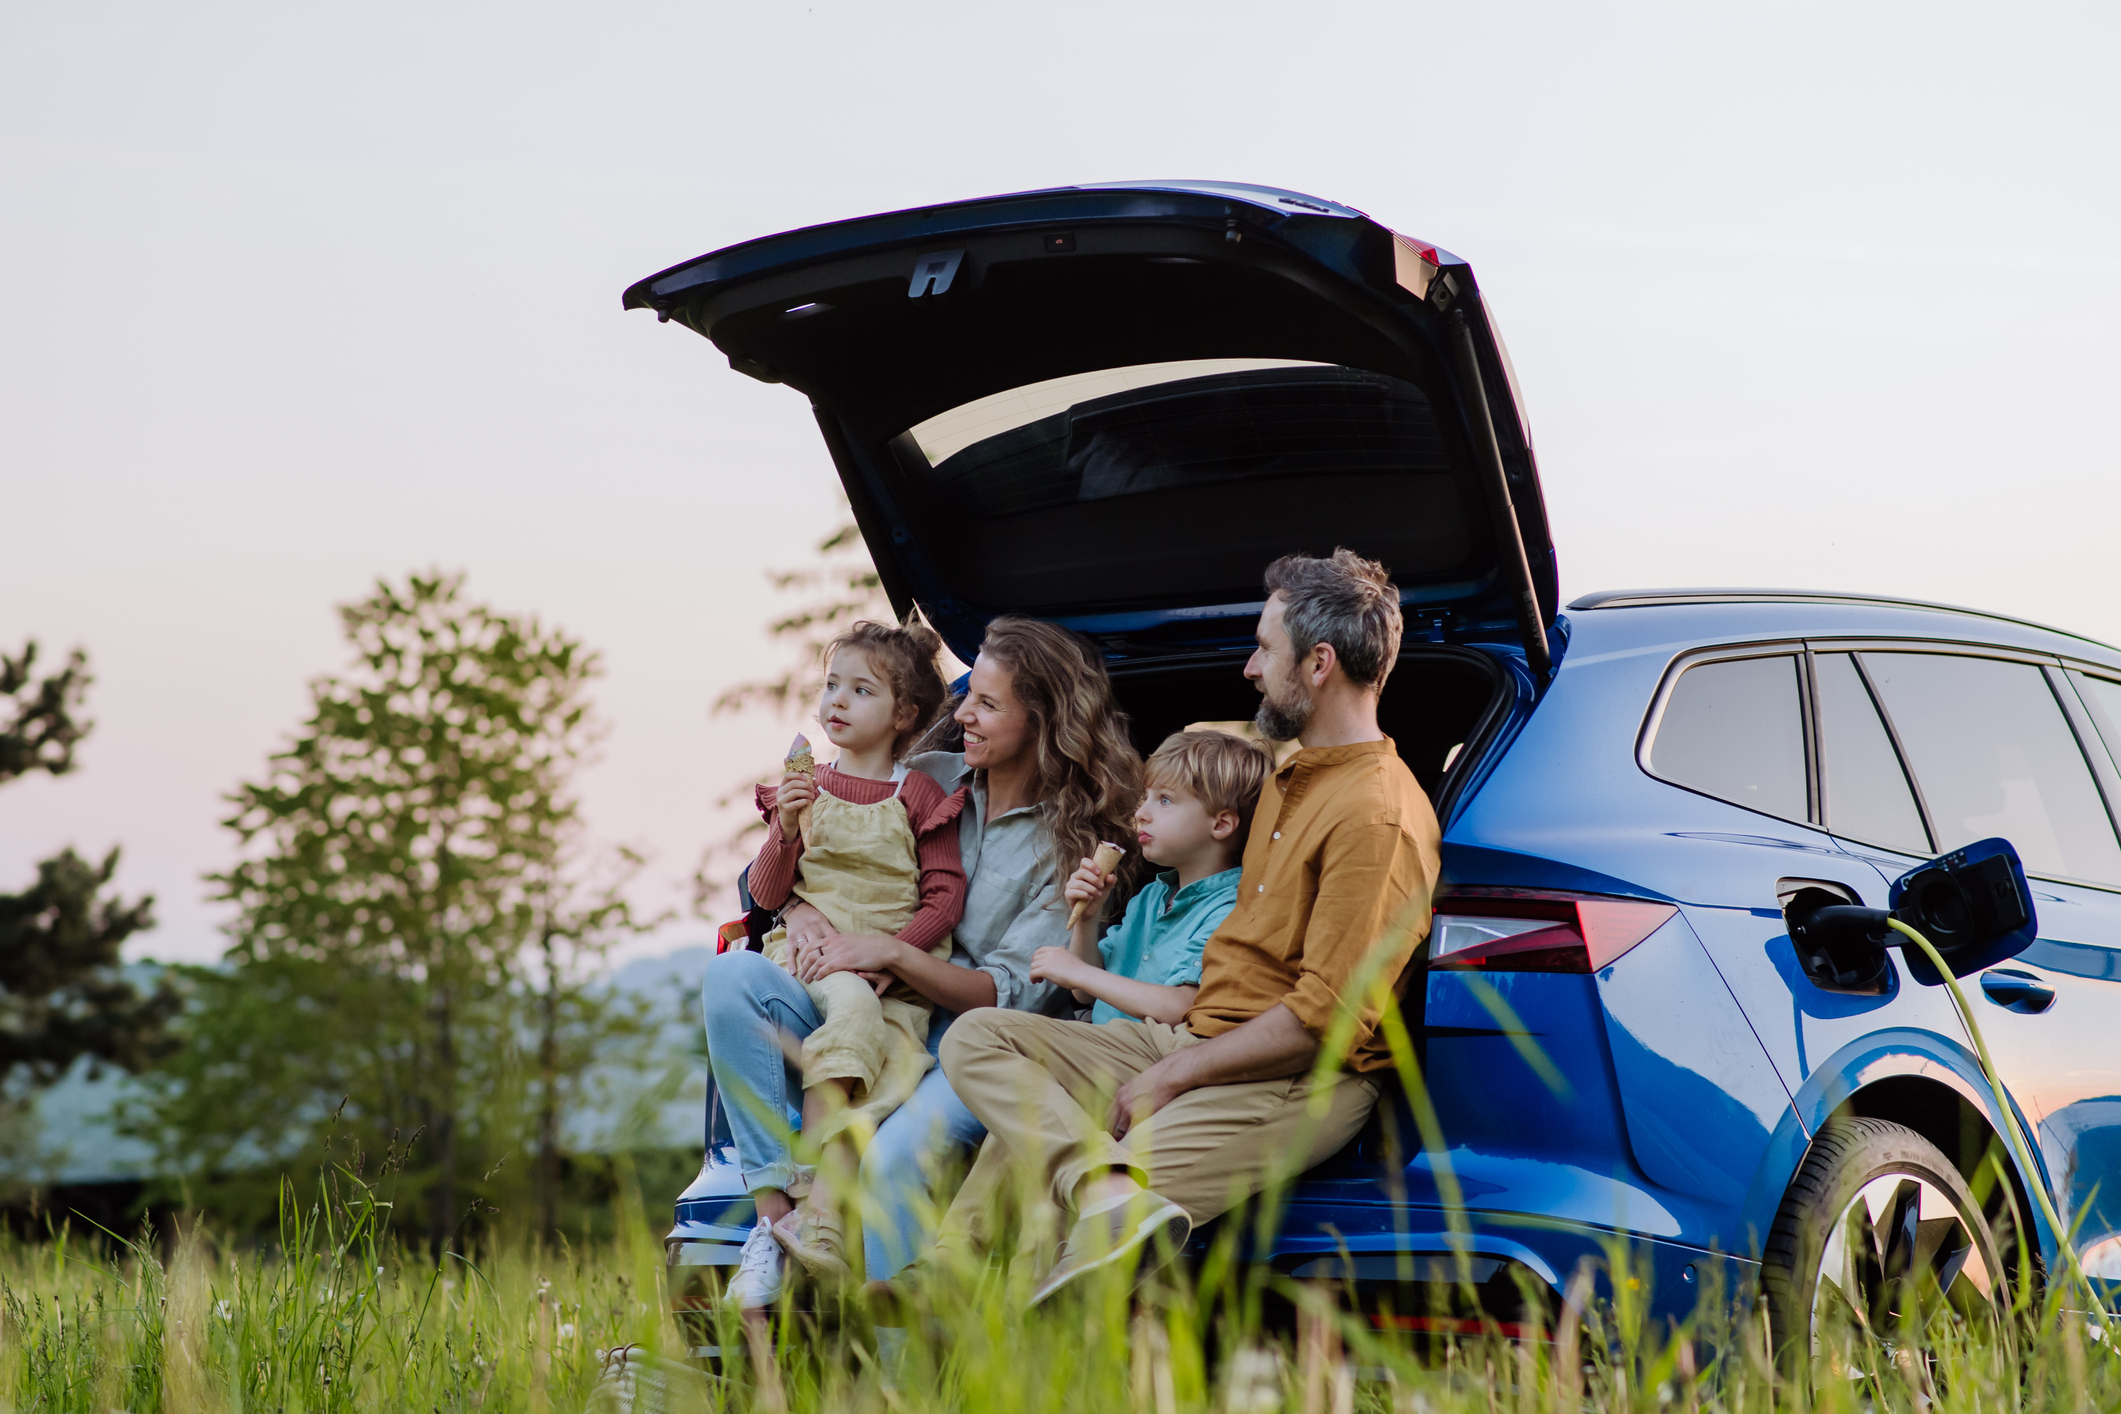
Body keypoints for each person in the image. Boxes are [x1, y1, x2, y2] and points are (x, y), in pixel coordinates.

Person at [937, 548, 1442, 1306]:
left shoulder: (1376, 816)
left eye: (1265, 649)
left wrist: (1172, 1075)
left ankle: (1050, 1267)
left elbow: (1325, 1022)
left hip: (1291, 1076)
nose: (1248, 668)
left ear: (1319, 663)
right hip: (1198, 1035)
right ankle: (1093, 1191)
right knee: (979, 1037)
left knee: (1076, 1250)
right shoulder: (1291, 777)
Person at [700, 615, 1142, 1308]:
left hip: (969, 1041)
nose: (960, 711)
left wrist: (890, 953)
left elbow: (1008, 997)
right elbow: (793, 874)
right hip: (857, 1006)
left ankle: (899, 1366)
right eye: (969, 695)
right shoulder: (924, 777)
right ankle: (777, 1221)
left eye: (987, 704)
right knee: (731, 977)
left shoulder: (1069, 847)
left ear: (1043, 721)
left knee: (894, 1159)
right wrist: (798, 912)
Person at [898, 728, 1270, 1283]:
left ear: (1221, 824)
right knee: (1021, 1135)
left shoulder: (1227, 905)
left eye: (1164, 801)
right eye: (1145, 797)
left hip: (1149, 1064)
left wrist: (1079, 971)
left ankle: (979, 1274)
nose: (1141, 812)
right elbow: (1082, 992)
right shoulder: (1150, 895)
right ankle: (950, 1266)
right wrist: (1088, 921)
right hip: (1094, 1060)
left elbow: (1177, 1006)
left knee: (1009, 1094)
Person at [742, 620, 965, 1285]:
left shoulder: (919, 794)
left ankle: (836, 1235)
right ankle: (819, 1205)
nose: (835, 701)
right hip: (810, 964)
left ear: (905, 715)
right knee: (852, 1012)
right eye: (831, 684)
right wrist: (784, 830)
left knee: (887, 1063)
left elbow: (943, 900)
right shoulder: (805, 790)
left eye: (860, 690)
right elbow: (765, 893)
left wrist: (886, 955)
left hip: (887, 973)